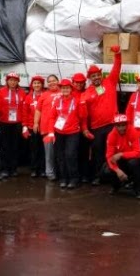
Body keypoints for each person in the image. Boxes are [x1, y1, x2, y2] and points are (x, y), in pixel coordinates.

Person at [80, 45, 121, 185]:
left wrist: (117, 54)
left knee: (113, 151)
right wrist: (85, 129)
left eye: (98, 74)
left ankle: (114, 176)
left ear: (100, 75)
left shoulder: (110, 82)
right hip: (97, 128)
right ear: (90, 78)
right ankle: (99, 176)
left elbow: (117, 67)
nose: (96, 77)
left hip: (112, 125)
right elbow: (83, 114)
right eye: (93, 76)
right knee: (98, 153)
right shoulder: (86, 93)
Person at [52, 78, 87, 189]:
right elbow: (52, 117)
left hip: (73, 132)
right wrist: (51, 133)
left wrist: (82, 104)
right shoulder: (57, 101)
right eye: (63, 88)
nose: (65, 90)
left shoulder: (77, 100)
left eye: (67, 88)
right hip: (59, 132)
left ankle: (74, 179)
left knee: (70, 155)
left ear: (71, 89)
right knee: (60, 156)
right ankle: (63, 178)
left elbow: (83, 116)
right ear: (60, 89)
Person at [104, 114, 140, 199]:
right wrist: (117, 170)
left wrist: (121, 154)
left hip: (131, 159)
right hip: (119, 161)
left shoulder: (133, 132)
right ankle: (116, 186)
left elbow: (138, 152)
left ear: (127, 124)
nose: (121, 128)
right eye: (119, 126)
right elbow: (109, 156)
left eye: (123, 125)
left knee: (134, 163)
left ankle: (138, 189)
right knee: (106, 170)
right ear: (115, 126)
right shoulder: (111, 135)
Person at [0, 73, 26, 179]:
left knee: (15, 147)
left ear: (18, 81)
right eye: (10, 80)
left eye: (15, 80)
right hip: (4, 123)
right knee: (4, 147)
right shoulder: (0, 92)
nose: (12, 82)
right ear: (7, 81)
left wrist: (24, 124)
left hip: (17, 123)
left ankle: (13, 169)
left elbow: (24, 109)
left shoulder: (22, 93)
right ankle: (4, 169)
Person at [34, 74, 61, 181]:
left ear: (58, 81)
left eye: (53, 80)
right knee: (49, 153)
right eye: (49, 81)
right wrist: (36, 123)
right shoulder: (44, 95)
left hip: (61, 129)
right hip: (46, 128)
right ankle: (50, 173)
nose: (52, 83)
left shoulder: (63, 91)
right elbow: (38, 110)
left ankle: (60, 172)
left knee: (60, 153)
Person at [22, 75, 45, 178]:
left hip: (44, 127)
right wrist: (25, 126)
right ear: (32, 85)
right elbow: (25, 113)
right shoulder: (28, 98)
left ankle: (43, 169)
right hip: (32, 127)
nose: (37, 85)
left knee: (43, 150)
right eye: (35, 83)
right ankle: (34, 169)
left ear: (42, 85)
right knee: (34, 149)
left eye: (39, 83)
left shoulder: (45, 95)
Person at [72, 72, 91, 183]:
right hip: (72, 127)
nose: (79, 84)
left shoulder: (88, 92)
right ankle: (76, 174)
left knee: (85, 151)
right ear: (73, 82)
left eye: (81, 82)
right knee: (73, 151)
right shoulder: (68, 93)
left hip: (85, 126)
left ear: (84, 83)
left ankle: (85, 175)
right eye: (76, 82)